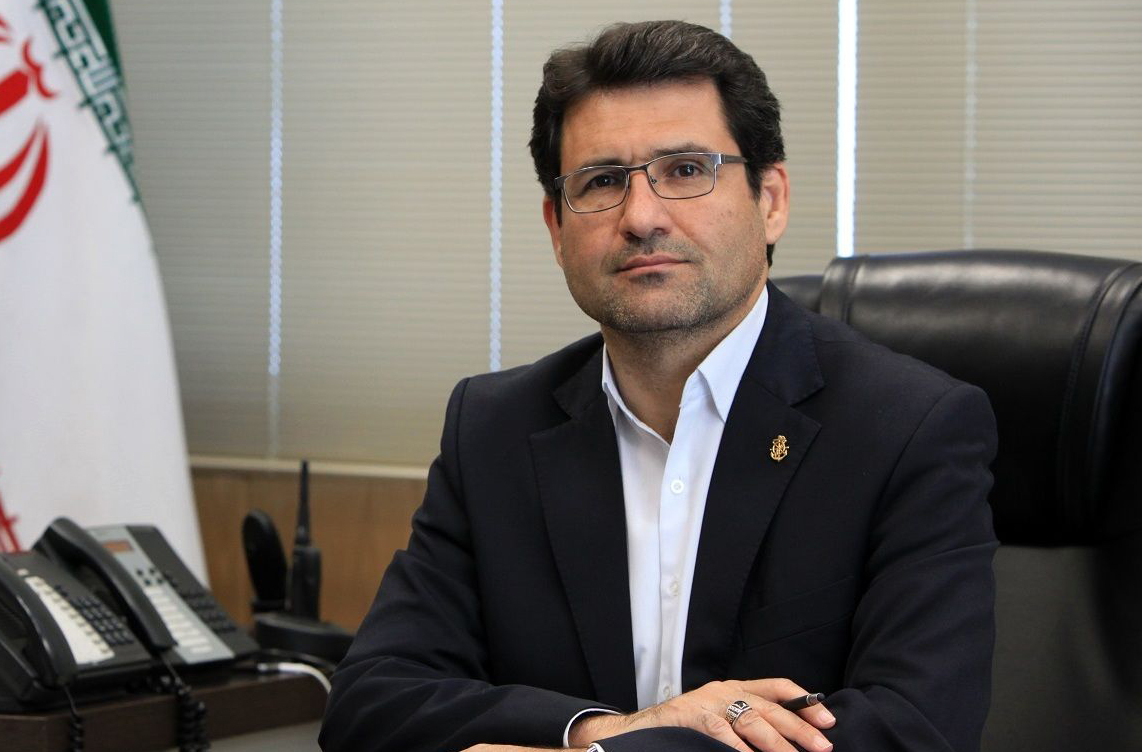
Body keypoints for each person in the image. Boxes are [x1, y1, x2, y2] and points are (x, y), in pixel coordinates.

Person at [319, 20, 997, 752]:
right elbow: (370, 703)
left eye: (685, 170)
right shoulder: (492, 429)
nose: (641, 218)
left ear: (770, 200)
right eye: (601, 182)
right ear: (556, 228)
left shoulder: (905, 428)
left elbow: (912, 730)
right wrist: (607, 734)